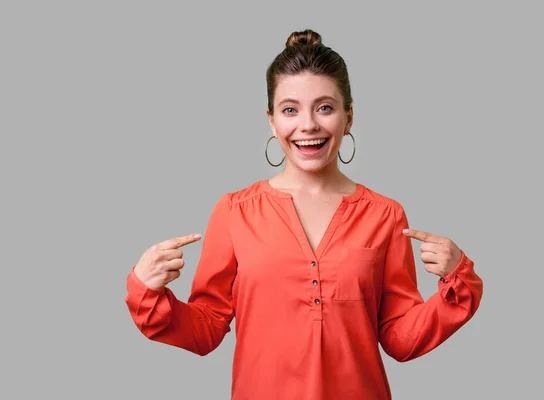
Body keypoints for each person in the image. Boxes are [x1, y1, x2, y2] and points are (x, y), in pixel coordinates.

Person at [125, 29, 483, 399]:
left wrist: (457, 283)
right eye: (290, 109)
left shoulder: (385, 215)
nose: (308, 124)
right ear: (271, 120)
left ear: (349, 117)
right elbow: (206, 328)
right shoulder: (235, 211)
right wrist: (148, 290)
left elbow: (400, 337)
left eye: (325, 107)